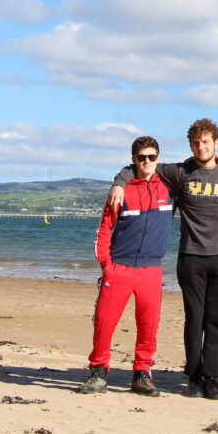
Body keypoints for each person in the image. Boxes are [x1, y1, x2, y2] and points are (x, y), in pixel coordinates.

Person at [107, 118, 218, 400]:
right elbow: (141, 165)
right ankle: (193, 376)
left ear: (217, 143)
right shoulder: (179, 172)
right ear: (190, 146)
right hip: (191, 257)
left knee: (217, 321)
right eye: (195, 143)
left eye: (206, 142)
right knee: (195, 319)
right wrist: (120, 183)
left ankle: (212, 377)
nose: (201, 147)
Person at [79, 136, 173, 398]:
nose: (147, 162)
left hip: (151, 269)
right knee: (104, 322)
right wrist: (106, 266)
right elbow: (104, 229)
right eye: (141, 157)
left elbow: (196, 167)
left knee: (148, 325)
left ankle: (142, 374)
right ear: (133, 159)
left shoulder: (169, 186)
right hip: (119, 267)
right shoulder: (121, 189)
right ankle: (98, 372)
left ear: (158, 158)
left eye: (152, 157)